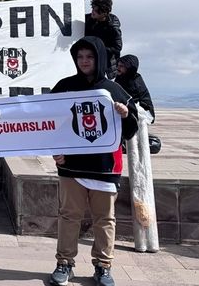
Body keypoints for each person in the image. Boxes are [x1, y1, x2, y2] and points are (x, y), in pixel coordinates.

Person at [48, 36, 138, 286]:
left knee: (105, 219)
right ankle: (64, 263)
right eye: (80, 57)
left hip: (104, 167)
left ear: (99, 59)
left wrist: (125, 114)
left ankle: (103, 266)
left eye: (89, 56)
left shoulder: (113, 90)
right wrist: (55, 150)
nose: (84, 61)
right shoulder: (65, 86)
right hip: (71, 166)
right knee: (69, 216)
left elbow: (131, 130)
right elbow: (48, 122)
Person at [85, 0, 123, 79]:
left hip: (107, 62)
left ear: (104, 13)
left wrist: (99, 48)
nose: (92, 12)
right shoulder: (88, 19)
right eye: (92, 9)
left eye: (96, 10)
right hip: (91, 59)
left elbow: (117, 47)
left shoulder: (112, 26)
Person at [115, 55, 155, 123]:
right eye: (118, 65)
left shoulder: (136, 83)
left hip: (136, 118)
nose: (118, 68)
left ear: (129, 68)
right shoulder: (120, 78)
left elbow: (145, 102)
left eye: (121, 66)